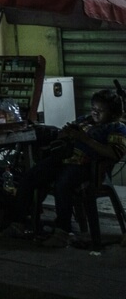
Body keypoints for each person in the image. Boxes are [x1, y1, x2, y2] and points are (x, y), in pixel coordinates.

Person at [15, 89, 126, 248]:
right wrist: (65, 134)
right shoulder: (85, 120)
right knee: (32, 175)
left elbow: (114, 153)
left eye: (100, 111)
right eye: (93, 109)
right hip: (64, 159)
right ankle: (19, 222)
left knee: (63, 184)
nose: (95, 113)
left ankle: (63, 232)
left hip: (88, 168)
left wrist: (84, 139)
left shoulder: (116, 128)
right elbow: (63, 135)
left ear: (114, 113)